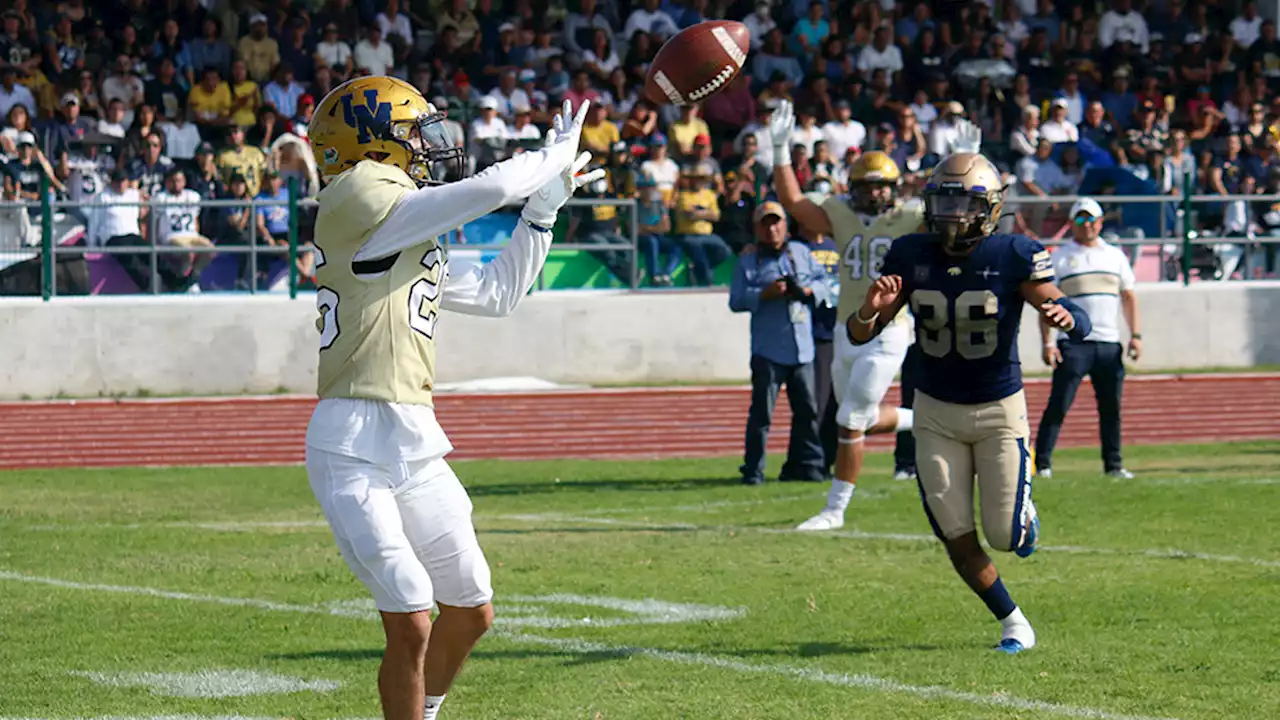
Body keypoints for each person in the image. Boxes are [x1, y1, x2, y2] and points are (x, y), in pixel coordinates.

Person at [304, 76, 601, 720]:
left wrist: (543, 211)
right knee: (411, 610)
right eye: (413, 131)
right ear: (370, 143)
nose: (428, 144)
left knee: (470, 607)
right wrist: (550, 156)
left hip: (412, 435)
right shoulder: (356, 192)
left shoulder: (400, 226)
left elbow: (498, 295)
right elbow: (490, 188)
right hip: (352, 438)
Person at [848, 152, 1093, 654]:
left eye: (961, 202)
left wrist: (1067, 317)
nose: (949, 213)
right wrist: (867, 311)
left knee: (1005, 535)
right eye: (942, 200)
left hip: (998, 409)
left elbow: (1071, 311)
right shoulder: (910, 252)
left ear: (988, 207)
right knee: (955, 532)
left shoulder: (1012, 254)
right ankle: (1013, 622)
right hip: (935, 411)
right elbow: (859, 334)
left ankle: (1025, 512)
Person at [768, 98, 980, 531]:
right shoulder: (839, 212)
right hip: (849, 328)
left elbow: (960, 216)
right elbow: (791, 201)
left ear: (894, 186)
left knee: (849, 420)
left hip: (889, 331)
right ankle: (937, 419)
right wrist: (777, 152)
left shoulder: (911, 216)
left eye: (881, 185)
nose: (873, 192)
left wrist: (966, 162)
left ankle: (834, 510)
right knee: (859, 416)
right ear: (853, 187)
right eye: (865, 185)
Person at [1035, 198, 1141, 480]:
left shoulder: (1115, 256)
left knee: (1111, 409)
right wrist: (1047, 342)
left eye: (1092, 219)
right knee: (1059, 404)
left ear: (1101, 222)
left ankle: (1114, 465)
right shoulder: (1060, 257)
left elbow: (1128, 296)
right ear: (1072, 224)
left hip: (1108, 343)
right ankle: (1042, 463)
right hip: (1074, 344)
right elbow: (1045, 303)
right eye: (1081, 220)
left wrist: (1135, 336)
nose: (1088, 225)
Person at [729, 201, 831, 485]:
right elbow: (736, 301)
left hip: (802, 348)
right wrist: (765, 294)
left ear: (785, 225)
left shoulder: (801, 252)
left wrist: (809, 291)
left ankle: (807, 465)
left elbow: (829, 284)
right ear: (757, 228)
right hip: (768, 350)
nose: (771, 229)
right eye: (765, 224)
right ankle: (753, 469)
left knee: (808, 411)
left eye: (776, 222)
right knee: (762, 414)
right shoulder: (748, 261)